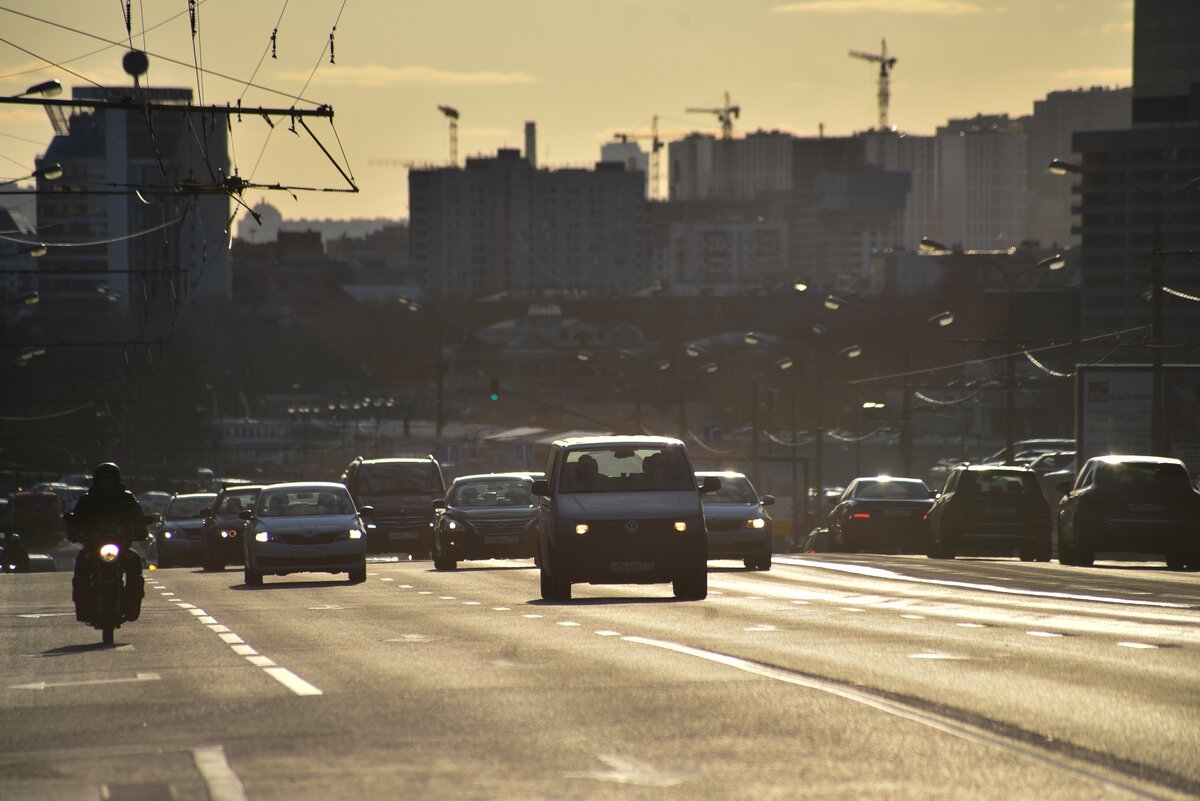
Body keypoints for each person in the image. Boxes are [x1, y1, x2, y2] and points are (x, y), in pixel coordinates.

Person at [68, 463, 145, 623]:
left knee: (135, 561)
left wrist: (141, 529)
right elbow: (77, 518)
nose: (106, 484)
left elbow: (138, 517)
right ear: (97, 481)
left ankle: (132, 604)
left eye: (110, 480)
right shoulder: (88, 500)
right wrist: (74, 528)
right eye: (103, 480)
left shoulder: (126, 499)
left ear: (116, 481)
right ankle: (83, 607)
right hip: (94, 548)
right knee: (82, 561)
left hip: (121, 547)